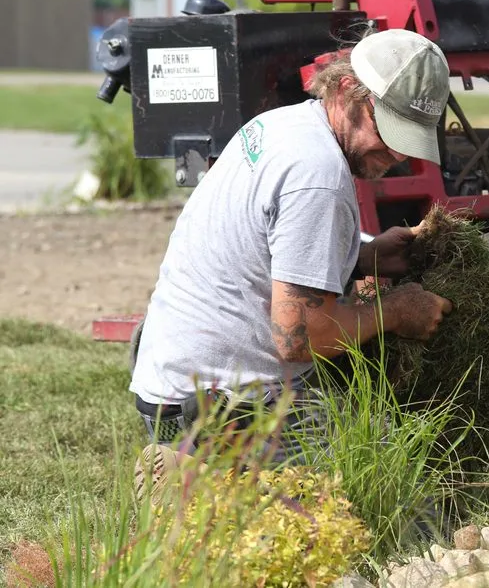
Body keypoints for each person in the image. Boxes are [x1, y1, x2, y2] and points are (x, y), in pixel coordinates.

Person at [128, 28, 455, 464]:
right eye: (390, 129)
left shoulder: (284, 125)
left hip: (170, 385)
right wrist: (396, 312)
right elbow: (299, 336)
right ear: (345, 90)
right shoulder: (317, 174)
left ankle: (200, 478)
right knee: (392, 471)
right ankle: (202, 481)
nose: (397, 154)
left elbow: (265, 248)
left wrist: (362, 257)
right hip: (220, 405)